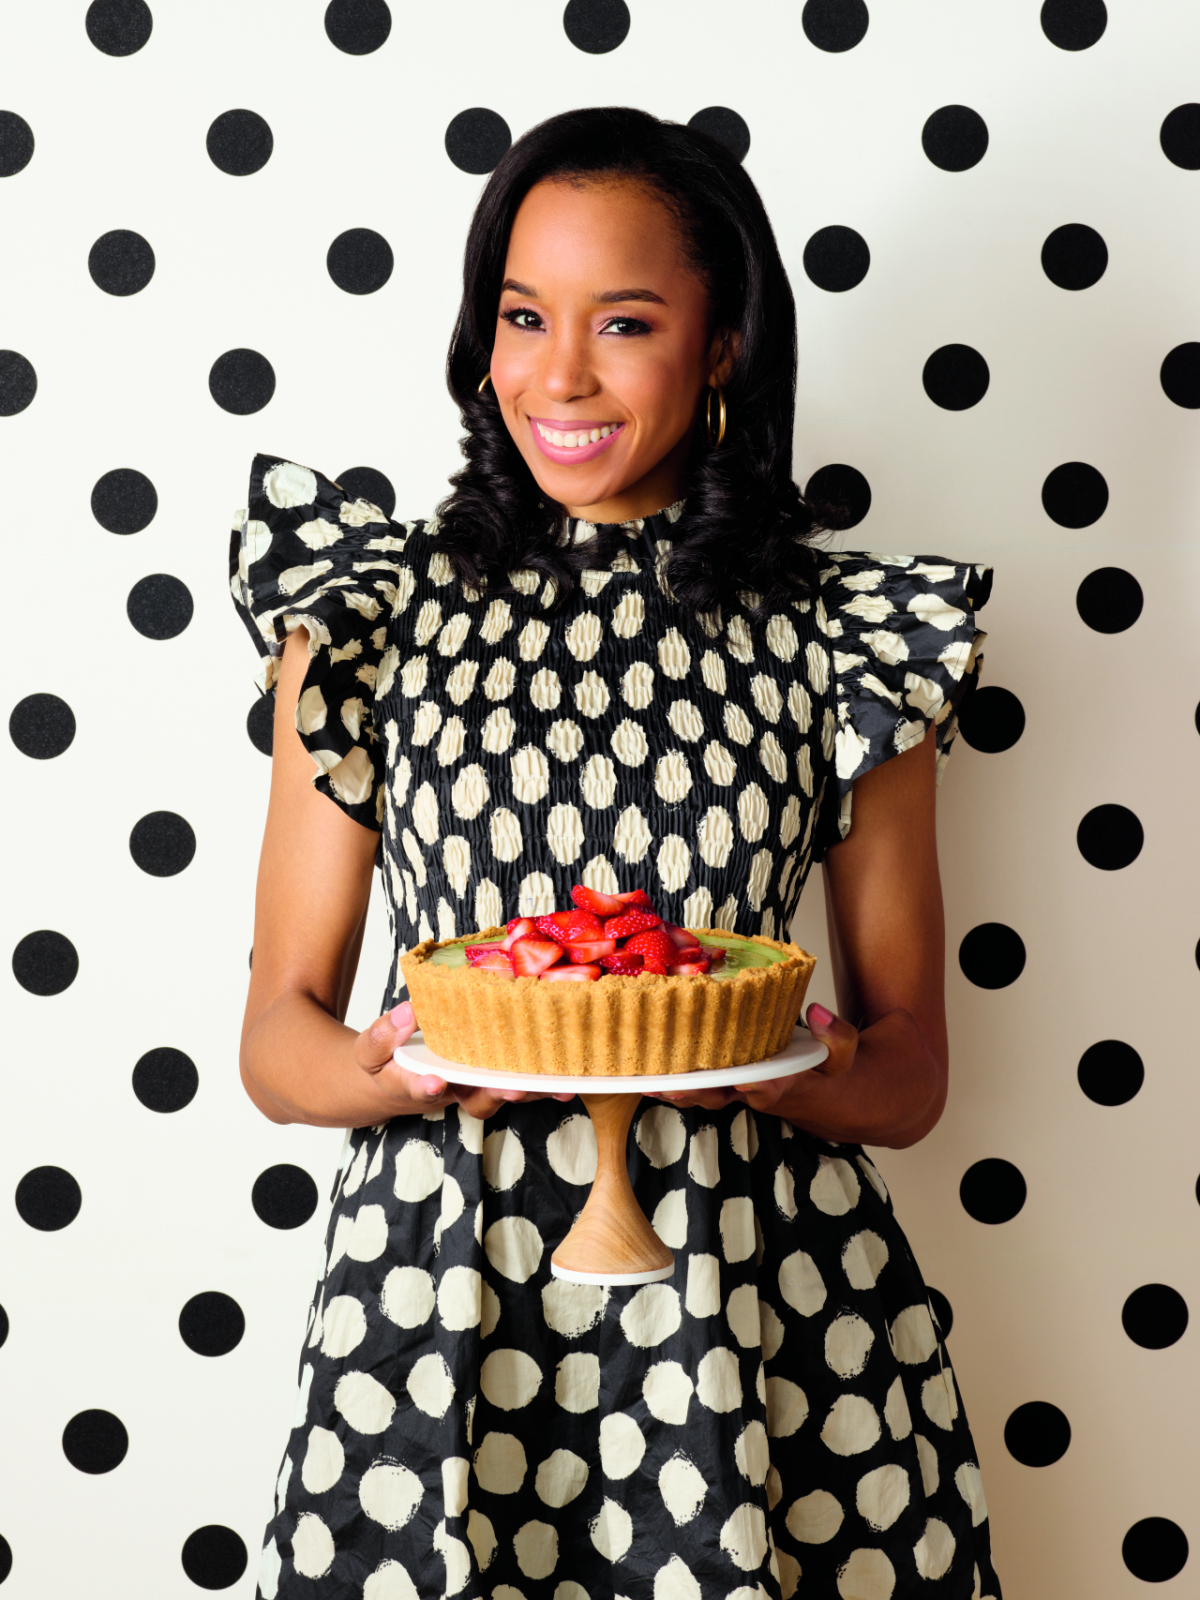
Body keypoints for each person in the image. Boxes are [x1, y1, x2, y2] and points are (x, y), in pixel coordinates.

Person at [231, 105, 1000, 1600]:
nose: (559, 375)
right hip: (444, 1298)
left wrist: (804, 1066)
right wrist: (397, 1069)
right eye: (524, 316)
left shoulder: (848, 637)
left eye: (625, 322)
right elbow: (276, 1039)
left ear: (723, 347)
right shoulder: (374, 617)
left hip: (769, 1310)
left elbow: (914, 1074)